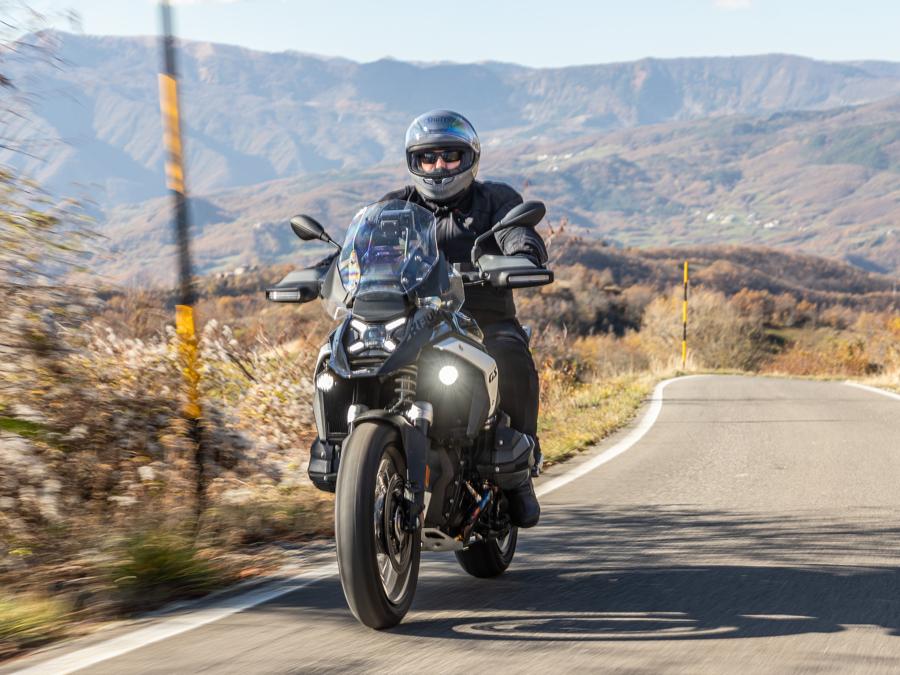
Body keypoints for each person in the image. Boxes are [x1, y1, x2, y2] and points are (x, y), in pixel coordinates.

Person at [380, 109, 547, 528]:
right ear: (414, 162)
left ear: (469, 158)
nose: (439, 166)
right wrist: (326, 270)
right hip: (413, 324)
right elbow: (363, 249)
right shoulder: (395, 207)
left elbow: (518, 233)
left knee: (510, 355)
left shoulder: (495, 200)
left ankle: (520, 469)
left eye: (449, 156)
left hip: (482, 320)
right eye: (428, 158)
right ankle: (348, 451)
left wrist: (522, 255)